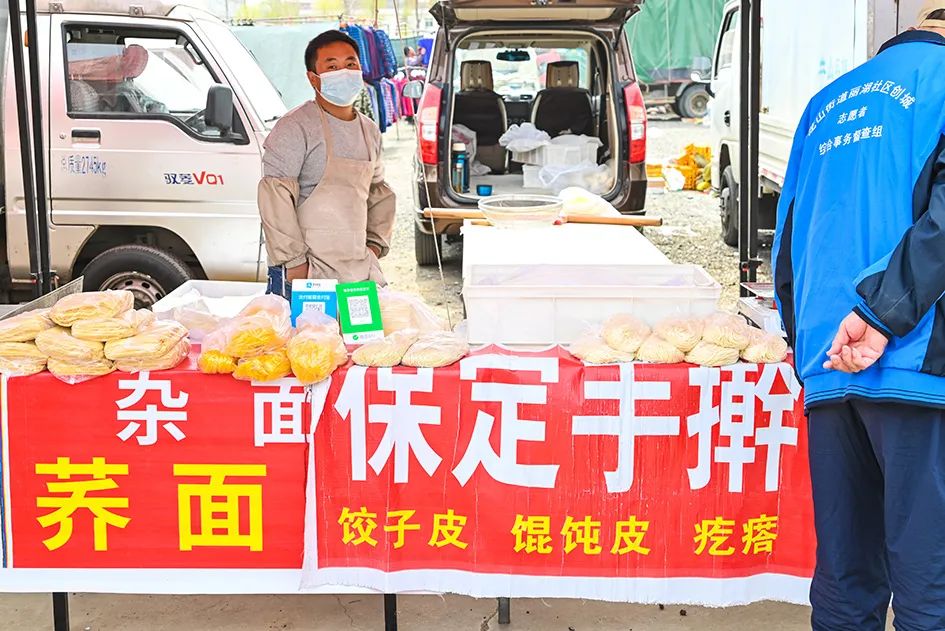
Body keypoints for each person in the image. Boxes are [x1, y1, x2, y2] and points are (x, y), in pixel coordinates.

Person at [773, 3, 945, 628]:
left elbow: (787, 238)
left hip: (829, 368)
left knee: (847, 582)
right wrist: (881, 314)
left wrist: (806, 344)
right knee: (933, 586)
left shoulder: (826, 102)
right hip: (919, 370)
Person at [258, 30, 395, 297]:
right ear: (313, 78)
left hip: (358, 271)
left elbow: (379, 193)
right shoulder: (295, 126)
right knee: (305, 340)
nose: (344, 71)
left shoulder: (369, 130)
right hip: (307, 273)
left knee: (361, 339)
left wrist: (374, 247)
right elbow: (274, 198)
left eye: (350, 64)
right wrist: (295, 266)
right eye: (332, 66)